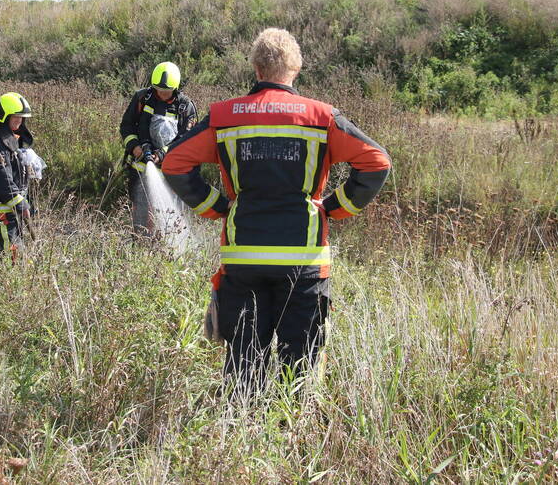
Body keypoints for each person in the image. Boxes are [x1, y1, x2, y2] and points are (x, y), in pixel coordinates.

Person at [162, 28, 391, 391]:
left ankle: (238, 435)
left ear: (255, 68)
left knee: (244, 363)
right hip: (304, 260)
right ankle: (294, 438)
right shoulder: (322, 116)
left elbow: (174, 162)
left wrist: (218, 207)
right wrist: (334, 208)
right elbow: (376, 163)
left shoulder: (225, 115)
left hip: (244, 259)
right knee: (300, 367)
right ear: (296, 69)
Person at [118, 61, 197, 234]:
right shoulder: (142, 98)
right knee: (141, 216)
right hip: (140, 169)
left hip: (172, 172)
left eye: (166, 90)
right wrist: (136, 147)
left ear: (175, 88)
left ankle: (166, 250)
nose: (161, 93)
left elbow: (186, 140)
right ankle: (140, 247)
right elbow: (127, 126)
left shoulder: (185, 107)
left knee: (170, 216)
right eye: (158, 89)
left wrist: (162, 154)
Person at [0, 92, 41, 260]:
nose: (19, 121)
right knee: (9, 245)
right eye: (15, 117)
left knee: (8, 242)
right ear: (4, 116)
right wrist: (21, 204)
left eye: (21, 118)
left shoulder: (11, 139)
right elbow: (2, 179)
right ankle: (2, 280)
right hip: (2, 203)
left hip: (11, 201)